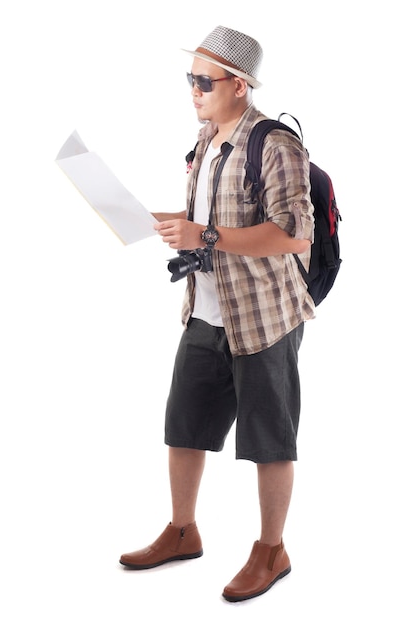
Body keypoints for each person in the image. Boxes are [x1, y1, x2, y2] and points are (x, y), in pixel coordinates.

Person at [119, 25, 315, 602]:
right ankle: (183, 531)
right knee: (184, 427)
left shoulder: (275, 145)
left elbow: (294, 235)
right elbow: (208, 219)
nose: (193, 91)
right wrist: (159, 222)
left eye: (203, 81)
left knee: (268, 439)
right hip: (205, 311)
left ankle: (272, 551)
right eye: (190, 79)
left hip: (264, 318)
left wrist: (204, 232)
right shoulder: (207, 139)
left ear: (239, 85)